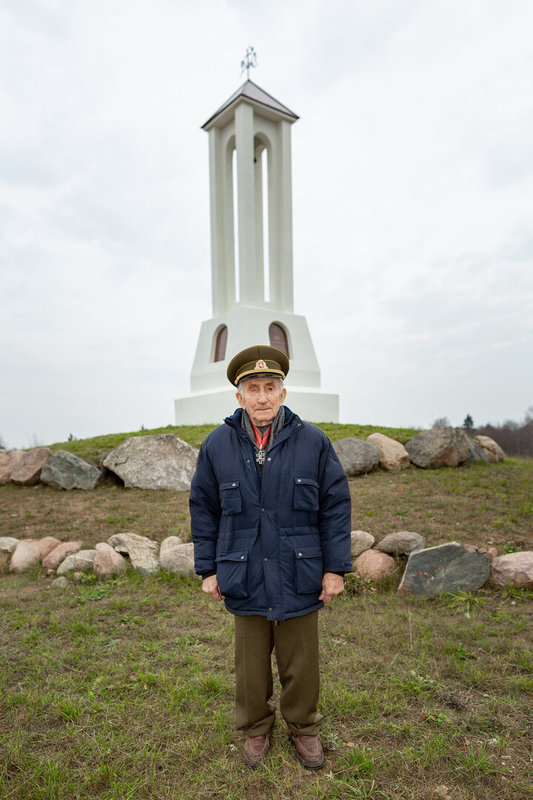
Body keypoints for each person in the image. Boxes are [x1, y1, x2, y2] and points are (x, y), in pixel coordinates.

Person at [190, 344, 352, 770]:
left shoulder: (313, 441)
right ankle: (257, 729)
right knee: (250, 665)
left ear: (283, 393)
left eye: (270, 387)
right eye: (252, 388)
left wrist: (335, 568)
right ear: (238, 396)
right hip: (241, 571)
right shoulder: (217, 444)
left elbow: (335, 506)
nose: (262, 397)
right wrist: (208, 569)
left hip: (299, 570)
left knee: (302, 661)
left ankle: (303, 728)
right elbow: (203, 508)